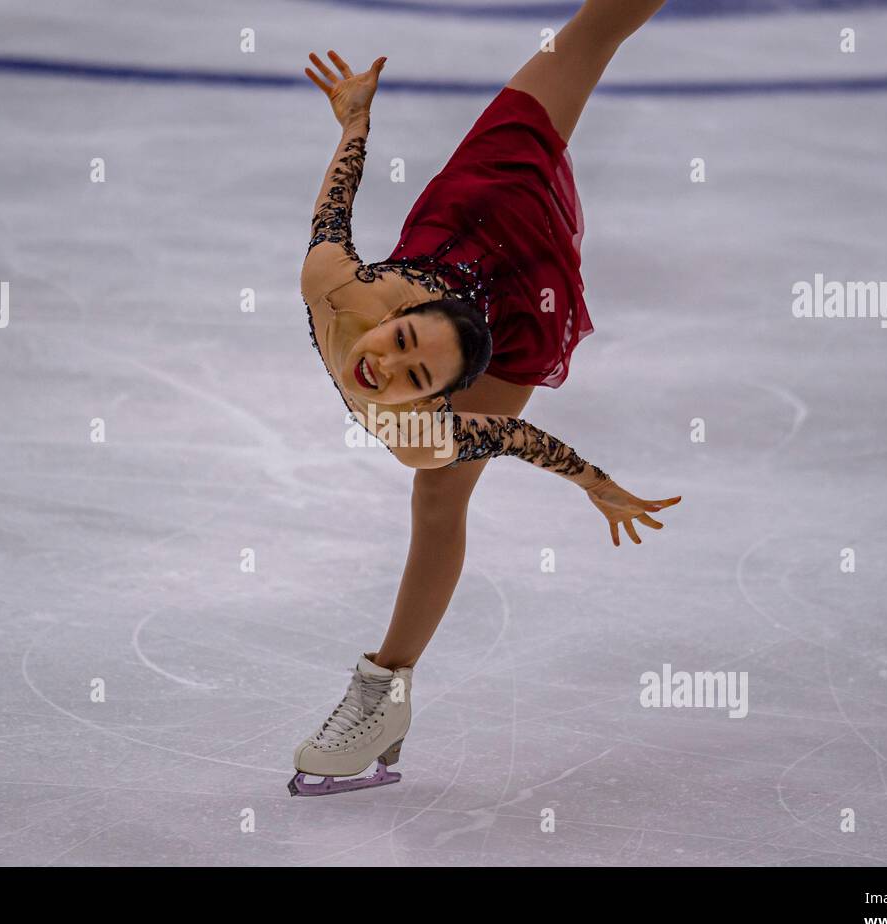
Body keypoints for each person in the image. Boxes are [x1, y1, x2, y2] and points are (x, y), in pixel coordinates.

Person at [290, 0, 681, 796]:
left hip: (522, 301)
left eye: (413, 379)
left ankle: (381, 686)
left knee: (439, 494)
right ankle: (389, 695)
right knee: (589, 25)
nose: (382, 372)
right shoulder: (335, 287)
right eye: (398, 347)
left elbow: (515, 440)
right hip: (472, 206)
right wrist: (353, 120)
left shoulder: (423, 434)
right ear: (394, 317)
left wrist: (595, 487)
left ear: (443, 397)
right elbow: (339, 199)